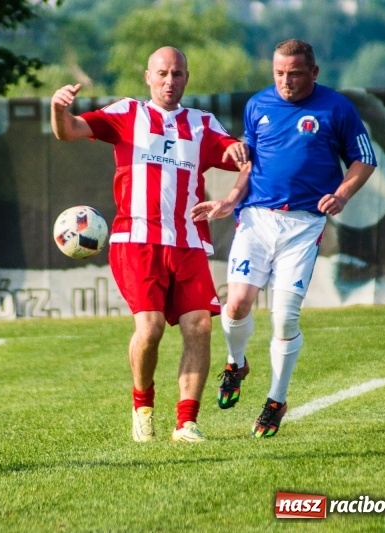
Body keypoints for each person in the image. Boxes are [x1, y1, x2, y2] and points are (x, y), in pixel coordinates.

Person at [51, 46, 248, 443]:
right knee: (152, 327)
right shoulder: (127, 113)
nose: (169, 81)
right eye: (162, 74)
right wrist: (58, 108)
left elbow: (240, 157)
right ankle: (143, 408)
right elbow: (68, 130)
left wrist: (235, 159)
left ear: (186, 78)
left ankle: (187, 422)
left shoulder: (204, 124)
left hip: (189, 242)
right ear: (147, 76)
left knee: (198, 327)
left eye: (177, 74)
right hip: (136, 240)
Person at [192, 39, 377, 438]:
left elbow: (366, 158)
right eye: (279, 73)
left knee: (284, 318)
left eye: (294, 73)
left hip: (304, 225)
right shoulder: (258, 104)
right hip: (256, 220)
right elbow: (250, 164)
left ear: (313, 73)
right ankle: (236, 363)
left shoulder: (337, 108)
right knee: (237, 303)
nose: (285, 81)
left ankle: (276, 400)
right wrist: (230, 200)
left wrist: (342, 194)